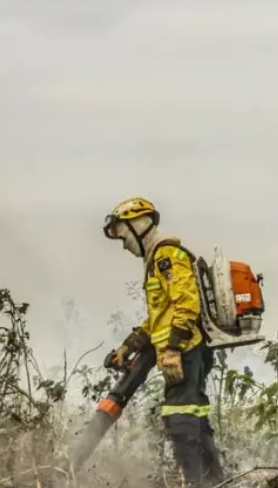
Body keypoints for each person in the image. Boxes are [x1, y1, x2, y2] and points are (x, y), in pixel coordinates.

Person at [102, 196, 225, 487]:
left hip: (184, 350)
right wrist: (128, 347)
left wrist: (172, 349)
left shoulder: (166, 255)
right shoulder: (156, 260)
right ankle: (214, 481)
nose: (124, 246)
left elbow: (187, 304)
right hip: (185, 350)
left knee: (179, 417)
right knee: (195, 419)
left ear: (138, 225)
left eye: (123, 237)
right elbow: (159, 318)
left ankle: (196, 484)